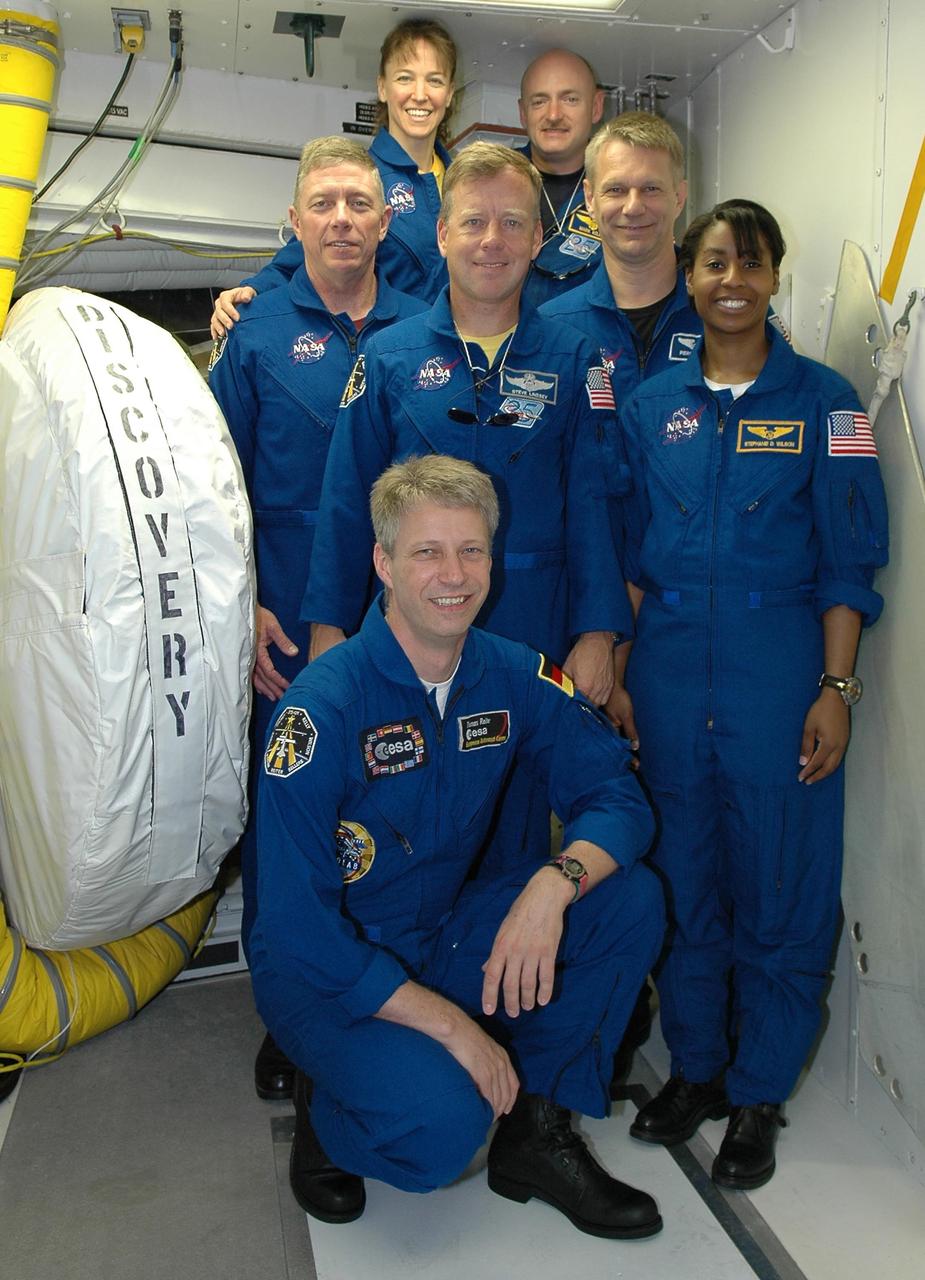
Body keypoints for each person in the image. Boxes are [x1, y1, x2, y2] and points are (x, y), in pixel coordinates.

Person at [248, 454, 665, 1239]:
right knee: (440, 1132)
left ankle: (535, 1133)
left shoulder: (509, 674)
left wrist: (555, 883)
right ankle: (326, 1105)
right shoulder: (322, 709)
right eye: (426, 552)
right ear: (383, 562)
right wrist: (453, 1027)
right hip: (323, 972)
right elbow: (296, 930)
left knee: (625, 895)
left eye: (470, 550)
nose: (453, 574)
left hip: (442, 934)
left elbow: (617, 797)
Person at [615, 199, 888, 1188]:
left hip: (781, 679)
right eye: (713, 261)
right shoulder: (650, 407)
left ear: (774, 275)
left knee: (782, 889)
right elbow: (628, 560)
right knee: (686, 883)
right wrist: (624, 678)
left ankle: (760, 1092)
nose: (731, 277)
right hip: (670, 671)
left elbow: (852, 563)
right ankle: (695, 1069)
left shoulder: (830, 404)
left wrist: (836, 686)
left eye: (750, 260)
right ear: (688, 276)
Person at [302, 141, 631, 870]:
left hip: (531, 629)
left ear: (537, 240)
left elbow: (594, 508)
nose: (492, 241)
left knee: (514, 828)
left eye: (512, 224)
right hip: (406, 630)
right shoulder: (387, 358)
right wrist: (328, 639)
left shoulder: (574, 360)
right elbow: (345, 509)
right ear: (443, 233)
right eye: (474, 222)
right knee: (398, 817)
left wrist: (598, 634)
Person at [208, 136, 427, 1100]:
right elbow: (211, 491)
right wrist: (244, 600)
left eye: (359, 203)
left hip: (405, 618)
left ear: (386, 220)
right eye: (323, 204)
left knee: (401, 806)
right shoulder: (252, 337)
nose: (341, 219)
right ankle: (292, 1016)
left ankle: (406, 999)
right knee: (291, 828)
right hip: (286, 625)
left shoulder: (428, 328)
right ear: (294, 225)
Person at [209, 18, 457, 338]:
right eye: (405, 78)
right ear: (383, 87)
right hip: (385, 350)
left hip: (453, 355)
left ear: (450, 93)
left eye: (434, 81)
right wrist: (247, 291)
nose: (420, 95)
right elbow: (300, 259)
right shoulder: (359, 180)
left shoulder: (462, 183)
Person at [516, 48, 606, 310]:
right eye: (539, 101)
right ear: (523, 113)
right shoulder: (490, 181)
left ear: (596, 106)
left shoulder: (622, 191)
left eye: (570, 99)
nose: (553, 115)